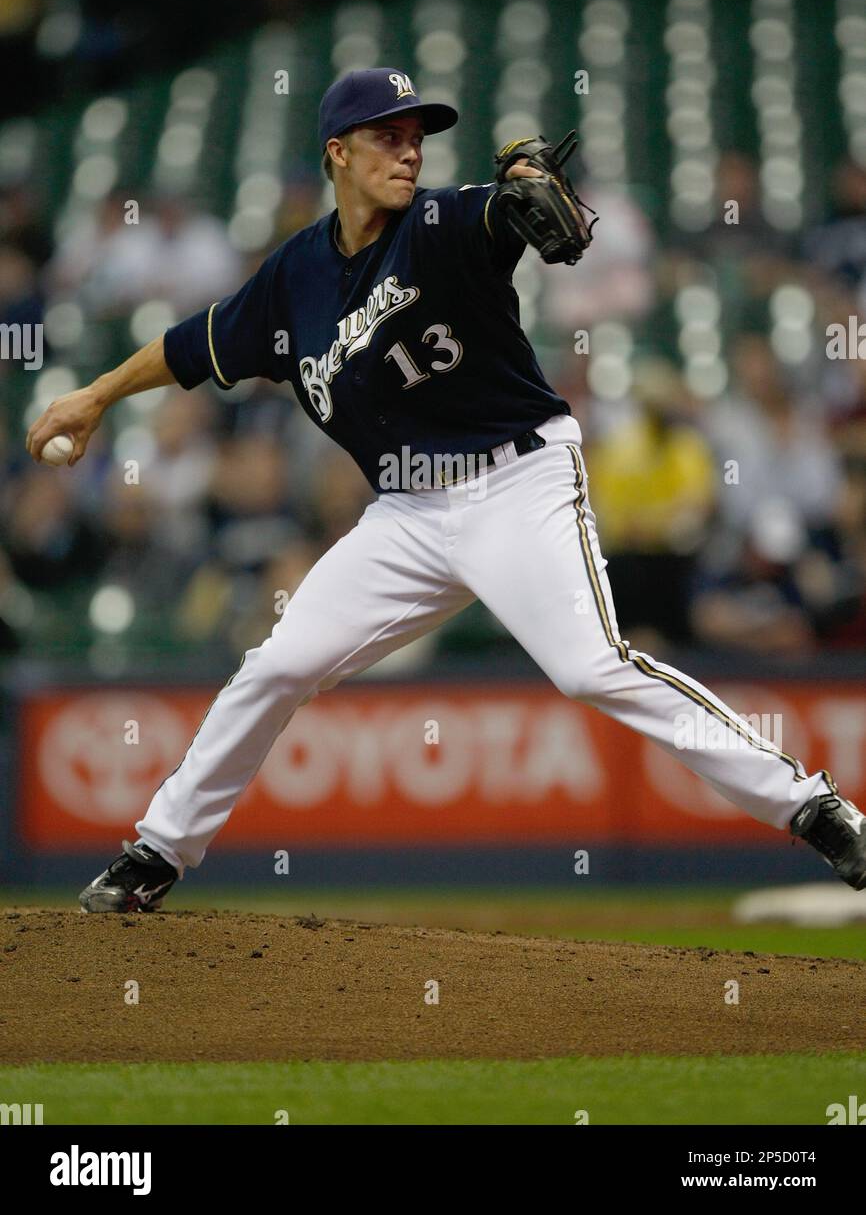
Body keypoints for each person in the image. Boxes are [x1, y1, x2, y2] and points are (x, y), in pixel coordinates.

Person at [26, 67, 866, 911]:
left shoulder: (442, 220)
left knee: (591, 669)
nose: (408, 150)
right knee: (276, 665)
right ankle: (157, 854)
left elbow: (499, 214)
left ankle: (815, 809)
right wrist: (96, 394)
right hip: (406, 515)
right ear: (338, 153)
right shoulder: (296, 278)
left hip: (518, 482)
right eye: (387, 135)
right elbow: (191, 344)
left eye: (417, 135)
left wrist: (524, 198)